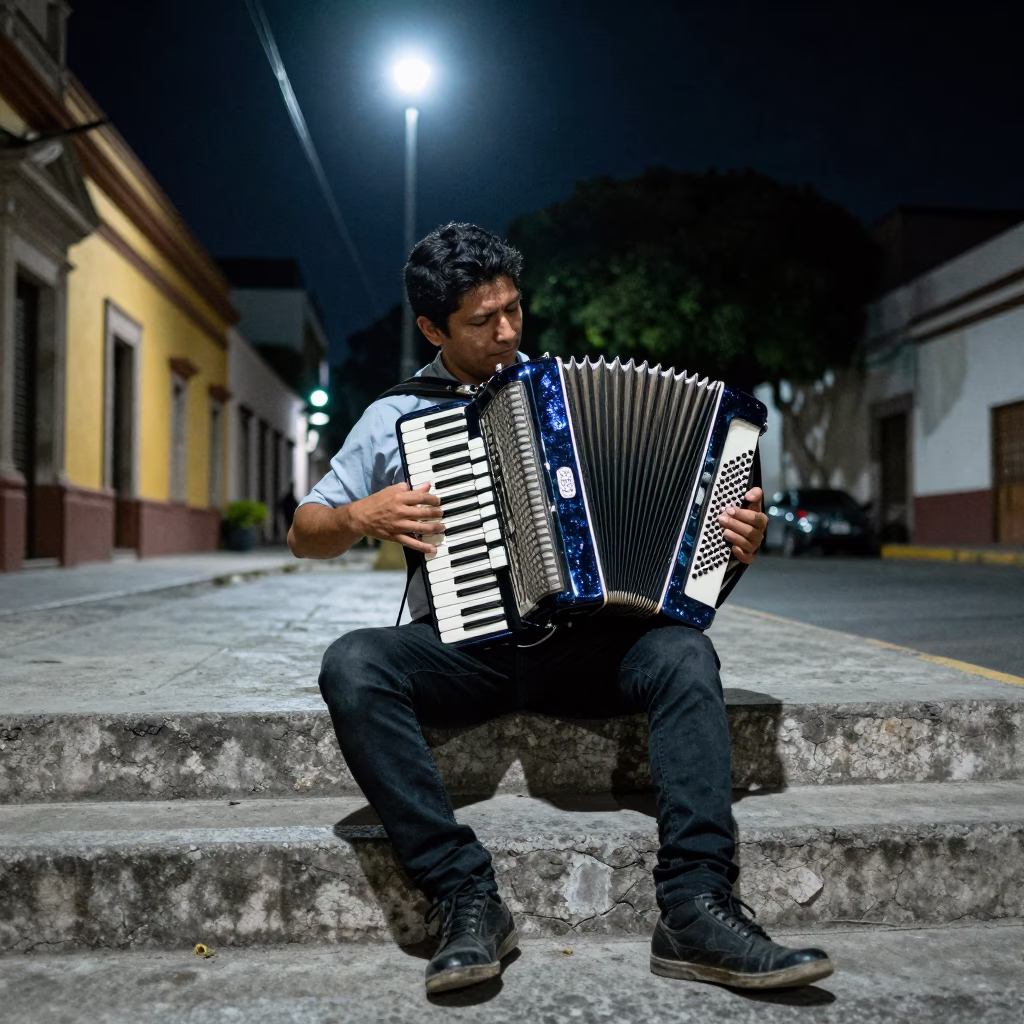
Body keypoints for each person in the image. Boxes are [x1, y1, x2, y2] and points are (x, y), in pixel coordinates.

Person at [288, 222, 833, 995]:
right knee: (351, 662)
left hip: (585, 648)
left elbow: (685, 532)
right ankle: (463, 894)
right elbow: (305, 532)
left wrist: (733, 536)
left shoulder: (557, 393)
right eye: (483, 321)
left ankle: (695, 905)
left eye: (514, 309)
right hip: (464, 651)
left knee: (684, 652)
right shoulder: (395, 416)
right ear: (433, 328)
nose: (508, 331)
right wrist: (359, 516)